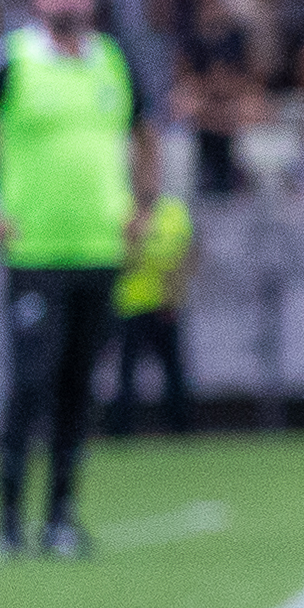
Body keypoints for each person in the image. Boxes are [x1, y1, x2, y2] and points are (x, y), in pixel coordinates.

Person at [0, 0, 160, 557]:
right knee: (31, 382)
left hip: (98, 246)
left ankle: (60, 518)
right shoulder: (9, 59)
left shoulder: (113, 60)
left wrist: (142, 206)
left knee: (79, 388)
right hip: (34, 251)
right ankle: (8, 521)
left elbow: (144, 136)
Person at [110, 180, 197, 437]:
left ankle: (180, 427)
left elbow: (185, 254)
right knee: (127, 370)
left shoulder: (173, 209)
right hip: (130, 303)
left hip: (164, 303)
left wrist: (174, 296)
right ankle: (121, 429)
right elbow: (118, 255)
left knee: (173, 370)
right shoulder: (122, 207)